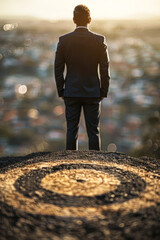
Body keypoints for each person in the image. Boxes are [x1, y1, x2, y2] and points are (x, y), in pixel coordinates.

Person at [54, 4, 110, 150]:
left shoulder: (64, 41)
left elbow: (58, 69)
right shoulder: (99, 41)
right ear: (89, 20)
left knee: (71, 131)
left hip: (71, 91)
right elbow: (105, 69)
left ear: (74, 20)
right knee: (93, 131)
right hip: (93, 92)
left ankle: (70, 166)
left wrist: (61, 91)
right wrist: (103, 91)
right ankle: (95, 165)